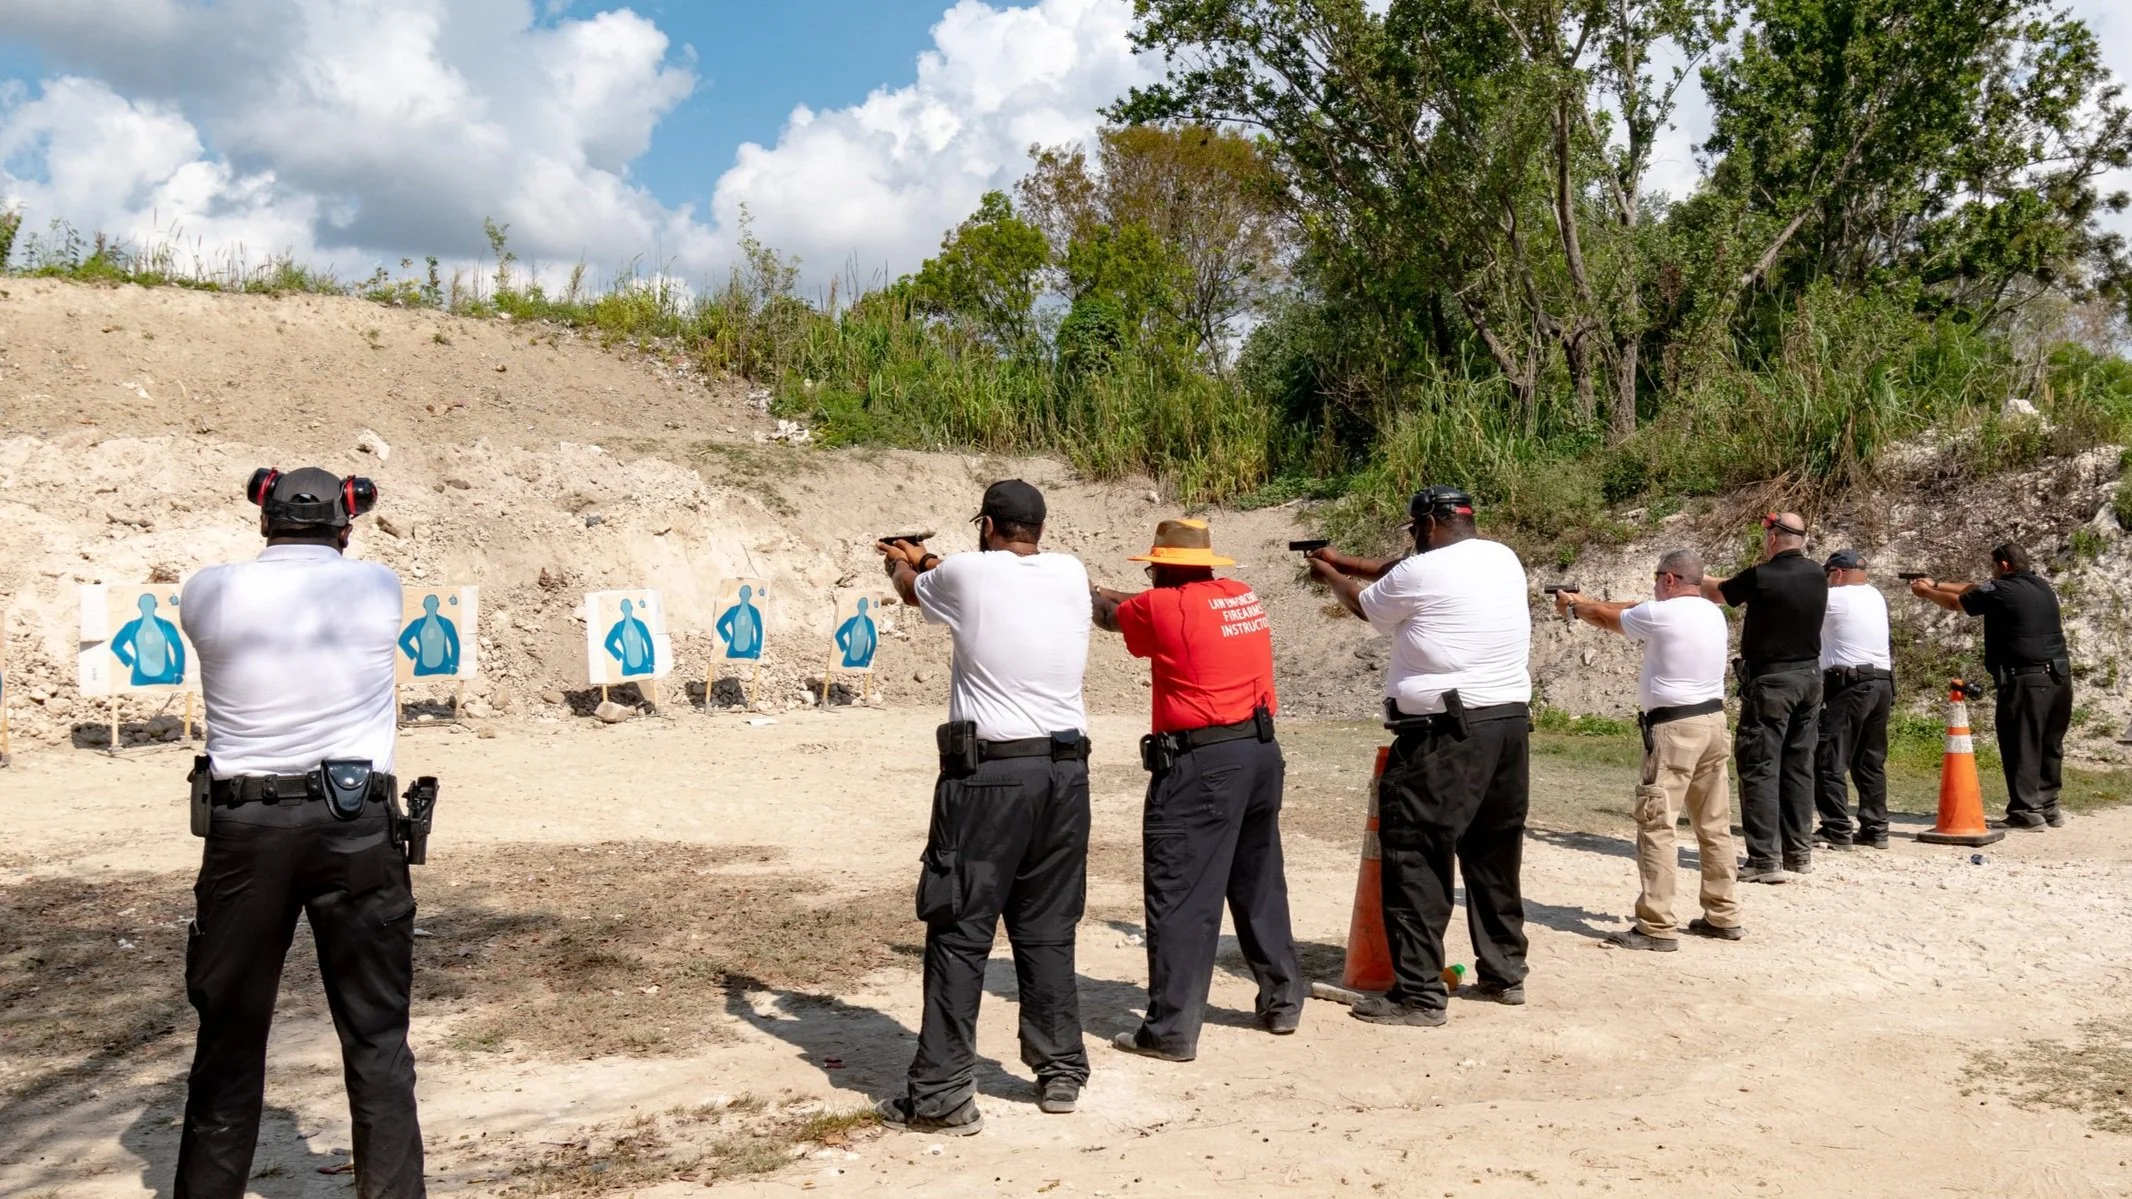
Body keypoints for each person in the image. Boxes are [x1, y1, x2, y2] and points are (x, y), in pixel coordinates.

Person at [175, 467, 421, 1198]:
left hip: (245, 827)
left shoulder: (207, 590)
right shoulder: (378, 587)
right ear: (344, 525)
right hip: (356, 826)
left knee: (229, 1043)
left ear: (266, 519)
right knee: (377, 1041)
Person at [872, 479, 1093, 1133]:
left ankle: (940, 1093)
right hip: (1064, 776)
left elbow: (914, 589)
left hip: (990, 779)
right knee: (1048, 927)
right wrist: (930, 559)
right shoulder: (1070, 572)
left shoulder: (965, 573)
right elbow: (981, 580)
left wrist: (899, 559)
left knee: (959, 927)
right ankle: (1060, 1072)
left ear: (989, 525)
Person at [1304, 486, 1532, 1027]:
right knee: (1494, 852)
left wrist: (1332, 576)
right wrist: (1345, 559)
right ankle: (1504, 973)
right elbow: (1407, 570)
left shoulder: (1419, 574)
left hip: (1444, 733)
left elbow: (1367, 604)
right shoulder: (1501, 557)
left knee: (1416, 853)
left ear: (1428, 525)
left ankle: (1419, 994)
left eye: (1414, 531)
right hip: (1506, 724)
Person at [1089, 519, 1302, 1061]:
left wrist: (1082, 591)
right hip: (1258, 751)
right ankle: (1282, 999)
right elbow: (1152, 601)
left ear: (1162, 567)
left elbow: (1115, 615)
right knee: (1257, 880)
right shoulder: (1238, 595)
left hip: (1202, 764)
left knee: (1181, 894)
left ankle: (1171, 1032)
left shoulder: (1161, 608)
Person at [1554, 549, 1741, 951]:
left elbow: (1610, 618)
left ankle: (1656, 924)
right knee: (1713, 824)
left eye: (1658, 578)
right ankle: (1722, 914)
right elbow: (1635, 607)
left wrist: (1575, 609)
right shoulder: (1711, 611)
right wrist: (1586, 601)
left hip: (1675, 729)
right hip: (1713, 723)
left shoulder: (1663, 614)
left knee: (1657, 823)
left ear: (1670, 580)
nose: (1655, 585)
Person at [1700, 512, 1827, 882]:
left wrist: (1695, 577)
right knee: (1798, 767)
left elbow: (1721, 593)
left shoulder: (1761, 577)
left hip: (1772, 683)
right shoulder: (1818, 574)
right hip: (1810, 679)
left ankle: (1764, 860)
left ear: (1772, 538)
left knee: (1759, 767)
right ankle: (1798, 854)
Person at [1910, 544, 2072, 830]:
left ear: (2004, 565)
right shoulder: (2039, 585)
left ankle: (2025, 812)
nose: (1992, 572)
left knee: (2021, 744)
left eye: (1994, 567)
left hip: (2027, 679)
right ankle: (2048, 806)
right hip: (2058, 677)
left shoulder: (2002, 590)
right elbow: (1976, 587)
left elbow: (1956, 603)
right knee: (2049, 744)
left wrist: (1928, 593)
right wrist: (1937, 582)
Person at [1815, 550, 1894, 850]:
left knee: (1829, 758)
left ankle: (1836, 828)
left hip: (1851, 686)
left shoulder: (1835, 599)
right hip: (1881, 684)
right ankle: (1876, 829)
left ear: (1836, 573)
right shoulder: (1874, 595)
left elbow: (1794, 605)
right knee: (1869, 760)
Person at [113, 591, 187, 686]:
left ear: (155, 605)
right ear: (139, 605)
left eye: (150, 604)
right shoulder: (132, 626)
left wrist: (179, 672)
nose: (147, 607)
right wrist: (130, 661)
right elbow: (116, 645)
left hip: (166, 678)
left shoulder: (166, 625)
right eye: (144, 604)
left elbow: (178, 648)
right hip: (140, 678)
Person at [399, 593, 461, 677]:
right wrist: (414, 654)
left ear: (438, 605)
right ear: (424, 605)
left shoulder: (446, 623)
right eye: (428, 604)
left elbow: (455, 643)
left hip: (444, 668)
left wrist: (454, 663)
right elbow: (402, 640)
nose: (431, 607)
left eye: (433, 604)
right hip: (422, 668)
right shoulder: (417, 623)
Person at [718, 584, 765, 660]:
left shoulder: (754, 611)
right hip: (732, 652)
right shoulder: (733, 610)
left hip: (749, 652)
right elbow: (720, 625)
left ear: (750, 595)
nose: (745, 595)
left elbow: (759, 631)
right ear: (740, 594)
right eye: (743, 593)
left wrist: (757, 650)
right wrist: (728, 639)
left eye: (747, 593)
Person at [836, 596, 879, 669]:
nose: (862, 607)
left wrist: (868, 658)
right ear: (858, 606)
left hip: (863, 660)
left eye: (864, 605)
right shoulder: (851, 621)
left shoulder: (869, 622)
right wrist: (845, 648)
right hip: (849, 659)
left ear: (867, 607)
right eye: (861, 605)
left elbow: (873, 641)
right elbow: (838, 635)